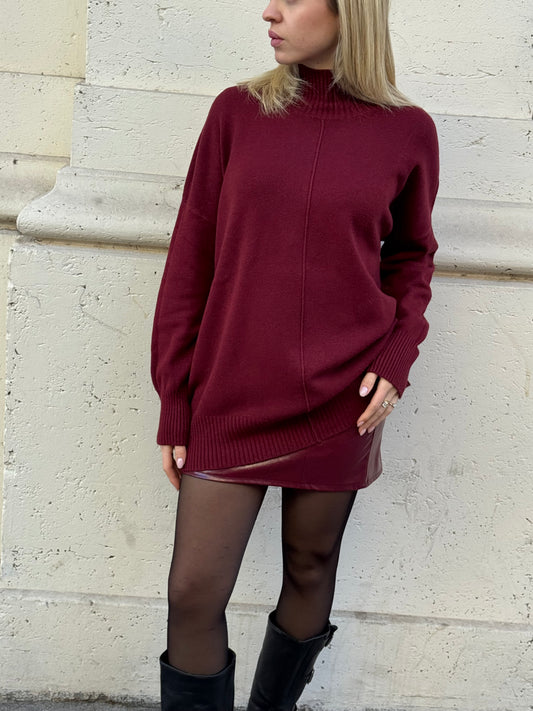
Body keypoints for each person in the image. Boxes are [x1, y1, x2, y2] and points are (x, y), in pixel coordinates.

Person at [150, 0, 440, 708]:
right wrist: (175, 400)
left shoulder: (407, 131)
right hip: (232, 387)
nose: (269, 11)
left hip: (344, 394)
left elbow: (411, 258)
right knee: (193, 592)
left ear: (350, 12)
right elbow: (190, 258)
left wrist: (397, 357)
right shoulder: (236, 113)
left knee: (310, 567)